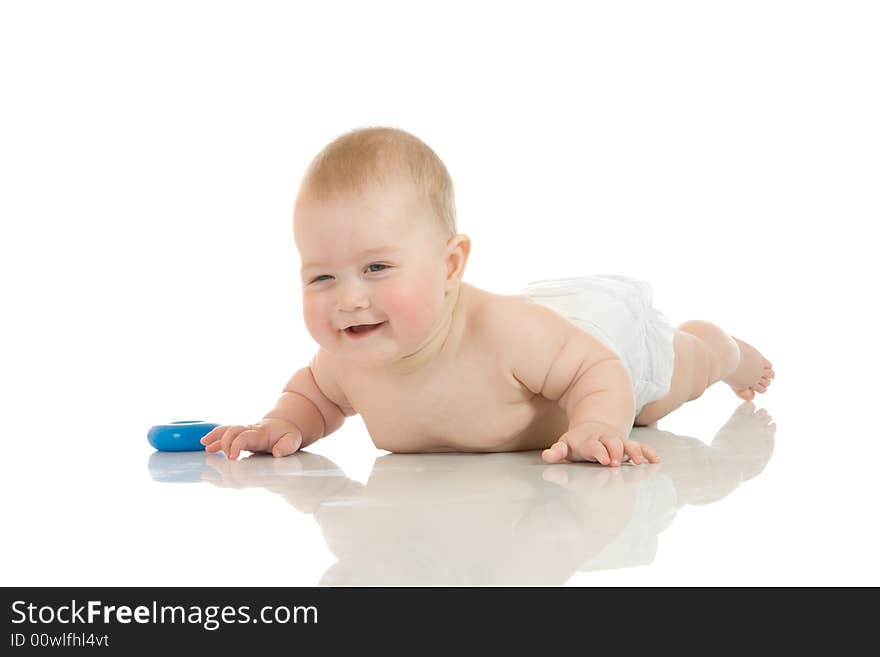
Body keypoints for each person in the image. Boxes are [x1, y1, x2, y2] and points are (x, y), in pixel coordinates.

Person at [201, 127, 774, 466]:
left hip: (598, 349)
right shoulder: (344, 361)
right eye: (321, 277)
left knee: (667, 386)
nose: (347, 299)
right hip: (549, 360)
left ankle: (722, 349)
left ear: (450, 265)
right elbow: (316, 398)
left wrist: (598, 425)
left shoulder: (503, 333)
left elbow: (594, 369)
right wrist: (284, 423)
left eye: (376, 267)